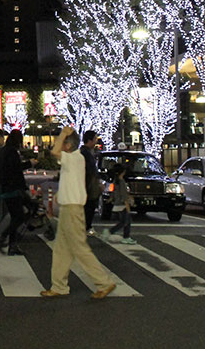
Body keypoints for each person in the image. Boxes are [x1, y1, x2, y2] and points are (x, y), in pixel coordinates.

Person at [41, 125, 116, 299]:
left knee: (79, 248)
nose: (61, 145)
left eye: (63, 143)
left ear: (68, 145)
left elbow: (54, 152)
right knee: (62, 250)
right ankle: (59, 286)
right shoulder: (75, 160)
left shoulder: (74, 158)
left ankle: (104, 282)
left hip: (73, 209)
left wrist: (63, 134)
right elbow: (72, 181)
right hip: (70, 208)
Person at [0, 130, 36, 255]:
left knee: (17, 215)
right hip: (13, 188)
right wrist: (30, 163)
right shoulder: (12, 152)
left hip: (7, 188)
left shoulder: (4, 151)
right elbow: (16, 168)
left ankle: (11, 243)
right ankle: (7, 238)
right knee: (19, 216)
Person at [102, 164, 136, 244]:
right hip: (122, 204)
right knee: (125, 222)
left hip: (117, 204)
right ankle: (113, 233)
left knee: (125, 221)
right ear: (123, 172)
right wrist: (127, 206)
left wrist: (111, 199)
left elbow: (114, 192)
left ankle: (126, 236)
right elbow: (124, 195)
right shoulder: (122, 181)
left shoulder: (115, 181)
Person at [80, 130, 101, 235]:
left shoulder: (86, 152)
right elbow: (89, 171)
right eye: (95, 139)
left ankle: (86, 227)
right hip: (87, 185)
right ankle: (86, 227)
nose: (96, 141)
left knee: (88, 207)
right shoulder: (85, 153)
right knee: (89, 207)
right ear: (90, 140)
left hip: (87, 184)